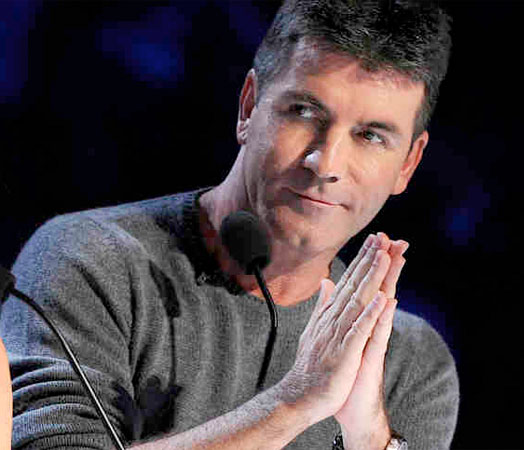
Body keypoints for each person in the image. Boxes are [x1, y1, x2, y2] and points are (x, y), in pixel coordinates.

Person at [0, 1, 458, 449]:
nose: (326, 164)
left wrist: (372, 440)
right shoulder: (90, 261)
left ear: (408, 163)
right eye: (303, 111)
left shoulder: (410, 362)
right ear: (248, 106)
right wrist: (294, 402)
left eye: (371, 136)